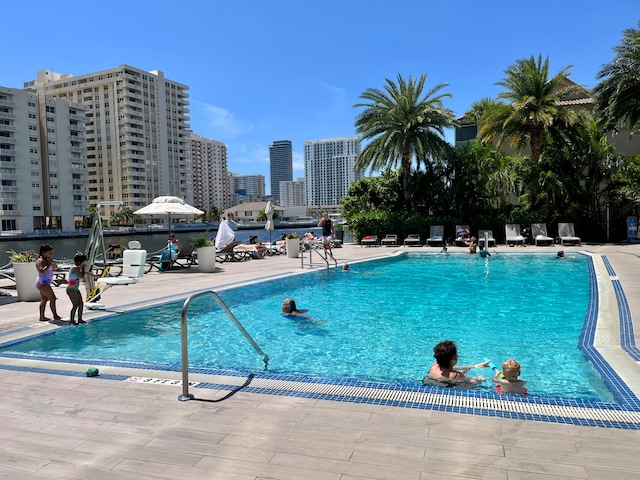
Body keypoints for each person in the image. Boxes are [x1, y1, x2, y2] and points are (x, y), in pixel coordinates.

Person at [423, 340, 489, 387]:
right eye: (456, 353)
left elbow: (451, 368)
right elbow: (469, 380)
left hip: (429, 382)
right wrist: (479, 379)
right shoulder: (456, 375)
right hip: (447, 386)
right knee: (474, 381)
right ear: (453, 359)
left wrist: (475, 366)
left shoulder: (434, 366)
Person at [66, 252, 98, 325]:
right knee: (75, 305)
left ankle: (80, 319)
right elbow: (82, 276)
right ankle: (72, 320)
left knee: (81, 304)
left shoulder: (76, 268)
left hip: (75, 288)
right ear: (80, 261)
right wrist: (83, 267)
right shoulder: (75, 268)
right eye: (84, 261)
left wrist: (93, 275)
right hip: (71, 289)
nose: (85, 263)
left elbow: (85, 273)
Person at [35, 244, 62, 322]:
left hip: (45, 283)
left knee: (44, 299)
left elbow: (55, 268)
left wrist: (52, 263)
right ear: (43, 252)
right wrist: (49, 264)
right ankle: (55, 315)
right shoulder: (40, 261)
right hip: (42, 283)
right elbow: (41, 271)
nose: (51, 253)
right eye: (49, 252)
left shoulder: (48, 260)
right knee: (52, 298)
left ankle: (42, 317)